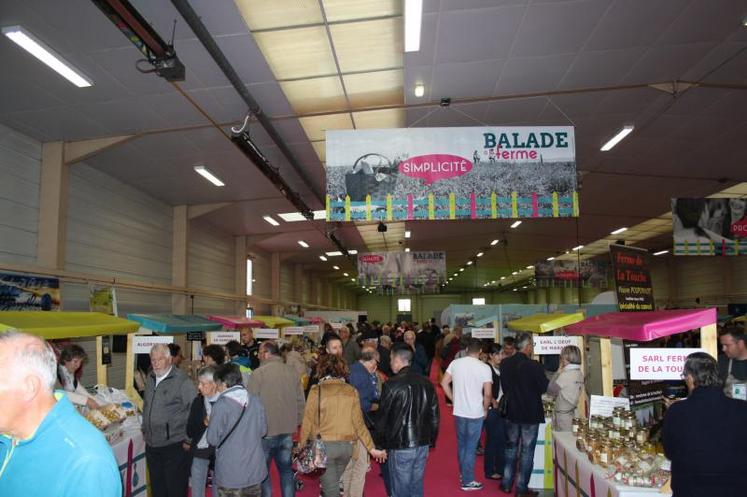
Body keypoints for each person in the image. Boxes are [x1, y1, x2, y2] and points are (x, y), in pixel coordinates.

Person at [0, 331, 121, 497]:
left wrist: (96, 402)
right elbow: (66, 393)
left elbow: (78, 390)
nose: (78, 365)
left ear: (30, 386)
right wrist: (88, 402)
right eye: (76, 361)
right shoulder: (58, 372)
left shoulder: (86, 461)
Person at [298, 354, 386, 497]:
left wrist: (301, 445)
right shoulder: (351, 391)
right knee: (334, 485)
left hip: (323, 448)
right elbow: (359, 424)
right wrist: (372, 448)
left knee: (331, 489)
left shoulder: (316, 391)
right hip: (347, 448)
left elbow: (307, 421)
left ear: (322, 370)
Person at [662, 352, 747, 497]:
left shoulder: (677, 411)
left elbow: (670, 452)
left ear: (690, 378)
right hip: (736, 488)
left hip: (690, 489)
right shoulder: (742, 409)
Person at [374, 343, 439, 497]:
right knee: (416, 486)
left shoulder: (391, 384)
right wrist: (431, 441)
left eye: (390, 359)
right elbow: (435, 416)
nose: (389, 362)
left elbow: (382, 418)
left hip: (400, 444)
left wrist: (380, 444)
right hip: (422, 442)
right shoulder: (427, 383)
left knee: (400, 489)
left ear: (397, 360)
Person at [248, 341, 305, 497]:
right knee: (286, 471)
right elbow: (301, 401)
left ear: (266, 353)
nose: (258, 356)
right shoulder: (292, 372)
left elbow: (251, 405)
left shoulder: (258, 374)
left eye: (259, 352)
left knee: (263, 473)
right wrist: (297, 422)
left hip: (265, 432)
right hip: (287, 431)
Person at [142, 343, 197, 497]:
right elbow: (146, 405)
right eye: (153, 360)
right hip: (152, 445)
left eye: (160, 359)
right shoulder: (151, 377)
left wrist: (188, 439)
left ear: (170, 359)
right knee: (158, 489)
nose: (155, 363)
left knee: (175, 489)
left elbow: (194, 410)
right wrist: (144, 427)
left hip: (175, 445)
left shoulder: (182, 380)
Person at [499, 333, 549, 497]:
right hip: (530, 413)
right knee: (527, 452)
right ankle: (521, 489)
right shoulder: (534, 366)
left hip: (511, 412)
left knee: (510, 448)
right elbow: (543, 388)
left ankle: (506, 483)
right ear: (528, 347)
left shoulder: (505, 364)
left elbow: (505, 388)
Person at [207, 363, 267, 497]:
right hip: (254, 468)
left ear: (223, 383)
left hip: (230, 471)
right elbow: (263, 431)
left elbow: (212, 439)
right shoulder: (256, 401)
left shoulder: (221, 405)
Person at [441, 338, 492, 491]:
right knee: (470, 447)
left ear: (467, 349)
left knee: (462, 445)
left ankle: (465, 474)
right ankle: (467, 480)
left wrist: (454, 399)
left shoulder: (455, 363)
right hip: (475, 412)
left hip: (459, 411)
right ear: (481, 351)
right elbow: (488, 394)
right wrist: (485, 409)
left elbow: (444, 383)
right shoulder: (484, 367)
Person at [343, 347, 380, 497]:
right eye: (376, 363)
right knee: (360, 465)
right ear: (370, 360)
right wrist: (376, 405)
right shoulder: (364, 375)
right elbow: (364, 403)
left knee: (350, 464)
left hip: (346, 424)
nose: (376, 367)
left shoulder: (351, 368)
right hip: (358, 425)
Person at [186, 366, 220, 497]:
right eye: (198, 383)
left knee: (219, 486)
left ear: (214, 385)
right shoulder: (198, 402)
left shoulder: (225, 401)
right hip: (201, 448)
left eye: (203, 384)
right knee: (197, 486)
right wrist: (204, 423)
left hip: (221, 449)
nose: (199, 387)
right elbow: (189, 431)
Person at [546, 345, 584, 431]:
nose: (560, 359)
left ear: (566, 357)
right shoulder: (579, 373)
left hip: (563, 417)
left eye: (561, 356)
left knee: (562, 441)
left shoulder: (566, 375)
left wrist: (558, 372)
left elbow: (550, 391)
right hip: (572, 413)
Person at [483, 344, 506, 481]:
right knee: (492, 440)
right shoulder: (486, 369)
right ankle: (490, 470)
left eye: (502, 353)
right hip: (492, 409)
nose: (500, 356)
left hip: (501, 408)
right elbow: (483, 388)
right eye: (498, 354)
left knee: (500, 439)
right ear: (491, 355)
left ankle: (499, 469)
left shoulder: (500, 368)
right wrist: (492, 400)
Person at [57, 344, 100, 409]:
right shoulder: (55, 373)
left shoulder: (69, 372)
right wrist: (86, 401)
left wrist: (102, 403)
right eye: (75, 361)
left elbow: (80, 390)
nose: (78, 365)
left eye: (80, 362)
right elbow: (60, 393)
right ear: (65, 359)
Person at [718, 329, 747, 399]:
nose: (723, 349)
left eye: (727, 345)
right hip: (727, 408)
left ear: (740, 344)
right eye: (722, 345)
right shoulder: (720, 361)